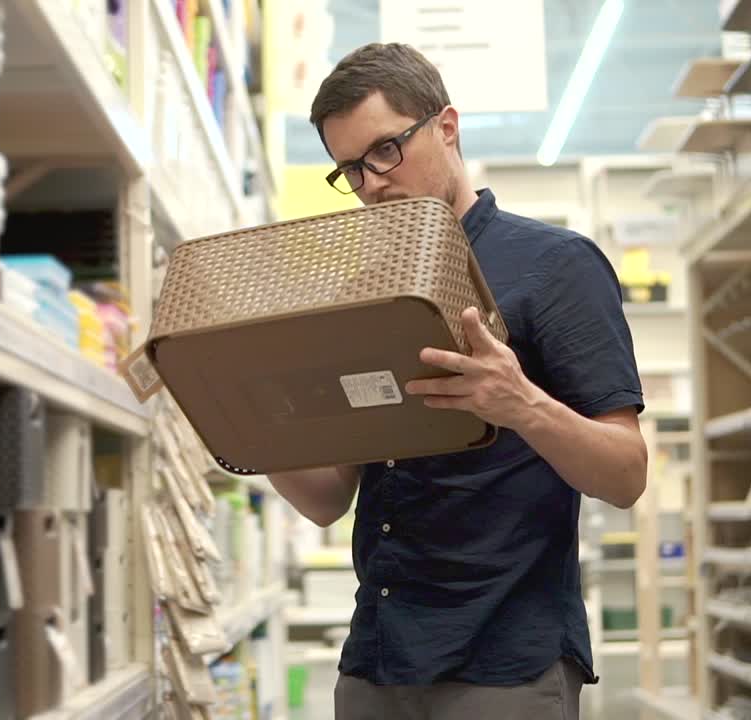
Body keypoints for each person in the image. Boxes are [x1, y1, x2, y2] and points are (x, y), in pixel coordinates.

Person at [267, 43, 649, 720]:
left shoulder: (555, 268)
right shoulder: (367, 292)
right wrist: (249, 423)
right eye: (349, 169)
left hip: (502, 664)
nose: (372, 183)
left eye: (385, 151)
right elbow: (329, 498)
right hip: (376, 663)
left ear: (446, 127)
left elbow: (625, 474)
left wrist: (522, 404)